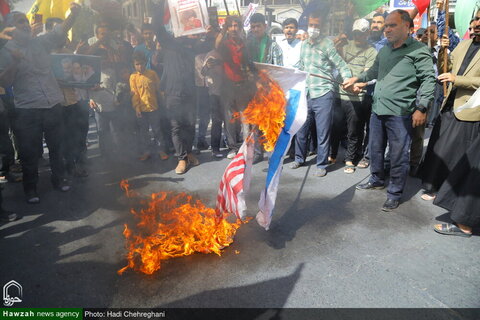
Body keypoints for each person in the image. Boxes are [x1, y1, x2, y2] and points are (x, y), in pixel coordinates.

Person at [343, 10, 436, 212]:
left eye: (392, 25)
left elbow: (429, 80)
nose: (387, 29)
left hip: (401, 113)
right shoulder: (385, 49)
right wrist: (357, 79)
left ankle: (394, 193)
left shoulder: (419, 50)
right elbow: (373, 71)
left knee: (398, 155)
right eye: (386, 25)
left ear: (407, 26)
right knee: (375, 149)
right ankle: (376, 179)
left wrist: (422, 108)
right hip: (378, 109)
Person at [0, 5, 81, 204]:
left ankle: (59, 179)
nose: (26, 25)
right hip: (28, 110)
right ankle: (31, 188)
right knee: (30, 153)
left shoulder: (41, 42)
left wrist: (75, 14)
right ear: (10, 28)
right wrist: (15, 62)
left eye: (26, 21)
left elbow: (60, 30)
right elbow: (5, 82)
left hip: (53, 104)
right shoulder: (5, 51)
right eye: (20, 22)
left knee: (57, 147)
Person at [425, 9, 480, 237]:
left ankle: (460, 210)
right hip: (451, 104)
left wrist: (458, 79)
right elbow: (445, 68)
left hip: (471, 108)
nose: (477, 23)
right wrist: (443, 49)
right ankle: (436, 186)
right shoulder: (465, 45)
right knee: (442, 147)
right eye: (475, 19)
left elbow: (464, 78)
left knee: (463, 157)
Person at [291, 7, 352, 177]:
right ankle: (299, 158)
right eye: (311, 24)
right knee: (301, 128)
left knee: (322, 131)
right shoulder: (303, 44)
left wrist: (347, 78)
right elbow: (301, 66)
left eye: (316, 25)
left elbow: (341, 64)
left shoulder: (327, 44)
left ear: (322, 27)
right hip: (307, 93)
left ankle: (321, 164)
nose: (313, 28)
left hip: (323, 93)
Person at [332, 19, 377, 174]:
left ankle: (350, 158)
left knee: (354, 130)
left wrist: (359, 85)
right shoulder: (346, 45)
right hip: (339, 94)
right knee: (336, 126)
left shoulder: (371, 51)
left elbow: (368, 75)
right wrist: (337, 43)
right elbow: (334, 60)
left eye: (361, 33)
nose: (358, 36)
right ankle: (332, 154)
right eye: (356, 33)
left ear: (368, 33)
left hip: (357, 97)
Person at [215, 15, 256, 160]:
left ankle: (246, 146)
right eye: (230, 26)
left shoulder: (244, 44)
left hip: (243, 86)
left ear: (240, 28)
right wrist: (223, 29)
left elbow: (250, 64)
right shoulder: (224, 44)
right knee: (230, 118)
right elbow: (216, 45)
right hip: (227, 87)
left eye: (236, 26)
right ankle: (232, 147)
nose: (234, 28)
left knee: (245, 117)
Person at [130, 51, 168, 161]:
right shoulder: (133, 77)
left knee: (157, 130)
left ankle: (161, 150)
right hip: (141, 110)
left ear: (145, 62)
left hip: (153, 107)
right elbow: (134, 94)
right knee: (144, 132)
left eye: (141, 63)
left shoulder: (152, 74)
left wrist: (164, 101)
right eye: (137, 64)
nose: (140, 66)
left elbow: (159, 89)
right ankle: (147, 151)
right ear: (134, 64)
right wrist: (136, 108)